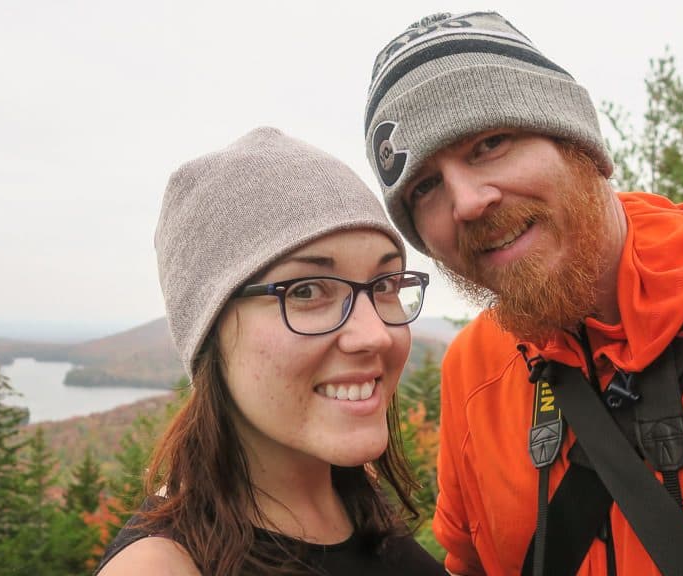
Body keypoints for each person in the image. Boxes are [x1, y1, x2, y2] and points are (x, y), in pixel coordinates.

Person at [362, 11, 683, 576]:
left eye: (490, 143)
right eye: (425, 187)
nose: (467, 202)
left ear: (579, 143)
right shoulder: (473, 371)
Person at [95, 127, 447, 575]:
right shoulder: (162, 567)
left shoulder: (354, 503)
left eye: (386, 285)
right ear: (209, 330)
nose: (375, 334)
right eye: (305, 291)